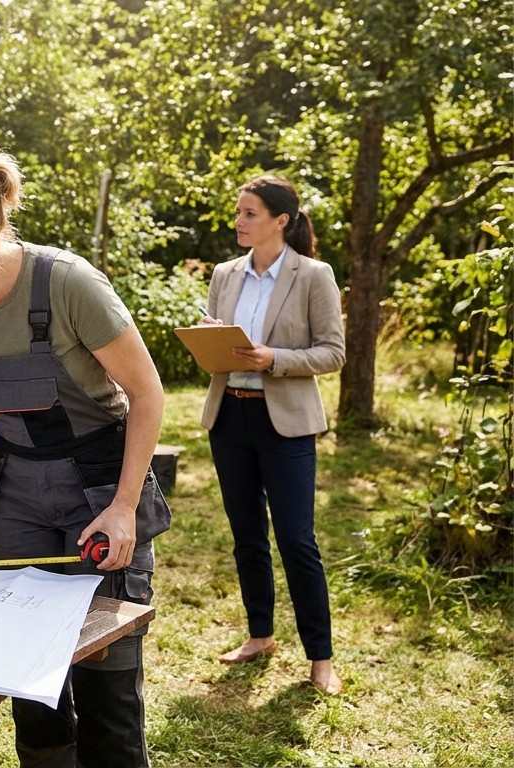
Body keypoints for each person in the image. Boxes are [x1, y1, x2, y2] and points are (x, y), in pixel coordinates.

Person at [0, 150, 169, 768]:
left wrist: (124, 508)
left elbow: (148, 394)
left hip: (97, 486)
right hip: (15, 491)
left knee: (109, 681)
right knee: (31, 679)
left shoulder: (68, 284)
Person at [198, 174, 345, 694]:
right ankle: (260, 634)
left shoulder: (314, 275)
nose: (238, 221)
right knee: (247, 537)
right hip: (230, 418)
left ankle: (321, 658)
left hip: (285, 423)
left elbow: (333, 351)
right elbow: (220, 342)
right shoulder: (225, 274)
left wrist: (274, 359)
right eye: (238, 212)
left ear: (281, 221)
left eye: (249, 213)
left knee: (296, 540)